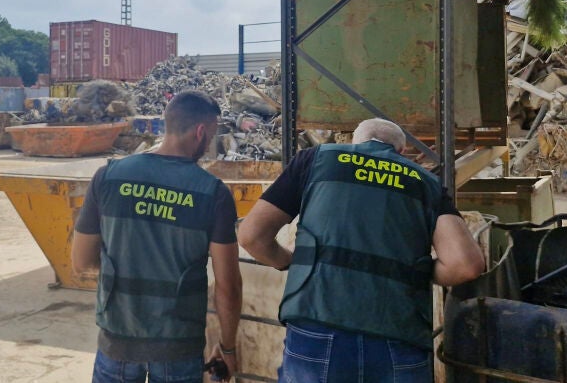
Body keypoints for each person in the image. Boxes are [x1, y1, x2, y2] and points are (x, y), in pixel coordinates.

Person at [238, 118, 485, 383]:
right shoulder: (426, 182)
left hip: (318, 324)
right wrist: (419, 271)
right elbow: (466, 265)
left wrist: (289, 261)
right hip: (399, 333)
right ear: (400, 151)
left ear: (355, 143)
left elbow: (252, 236)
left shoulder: (315, 159)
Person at [72, 90, 242, 383]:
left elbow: (81, 261)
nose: (209, 144)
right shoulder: (213, 193)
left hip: (117, 341)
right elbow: (228, 286)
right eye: (211, 135)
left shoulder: (108, 177)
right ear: (200, 132)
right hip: (179, 348)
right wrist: (227, 347)